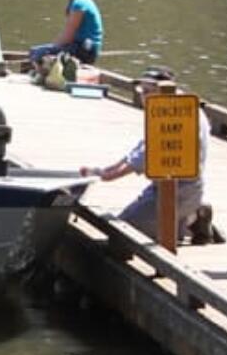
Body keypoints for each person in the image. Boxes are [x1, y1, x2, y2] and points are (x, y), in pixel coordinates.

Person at [78, 67, 210, 242]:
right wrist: (102, 169)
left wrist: (104, 175)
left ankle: (191, 215)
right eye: (142, 90)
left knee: (122, 233)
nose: (143, 96)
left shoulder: (178, 114)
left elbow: (139, 161)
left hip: (181, 190)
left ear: (165, 90)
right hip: (162, 185)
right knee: (152, 226)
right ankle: (194, 214)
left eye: (149, 91)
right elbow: (138, 151)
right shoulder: (171, 106)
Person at [29, 0, 104, 65]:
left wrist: (51, 49)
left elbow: (68, 36)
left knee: (39, 53)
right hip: (79, 46)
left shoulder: (79, 3)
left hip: (85, 50)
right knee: (35, 51)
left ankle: (40, 77)